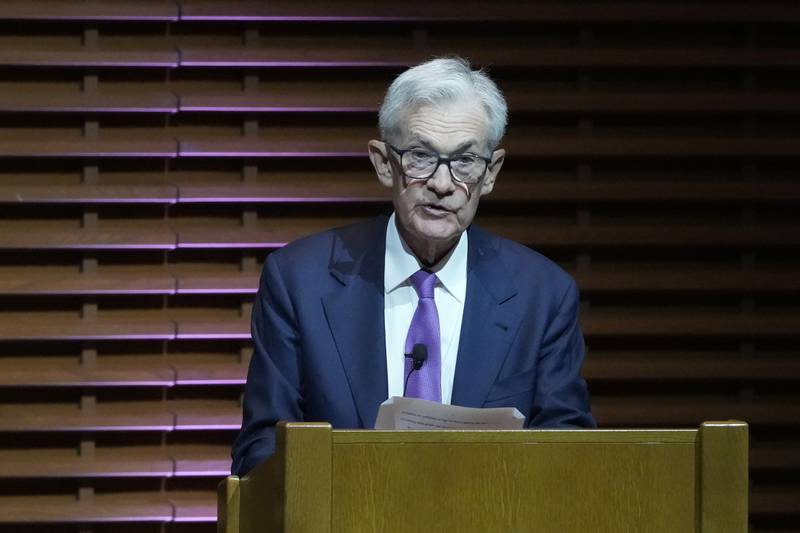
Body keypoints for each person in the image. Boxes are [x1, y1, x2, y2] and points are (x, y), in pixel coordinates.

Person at [231, 56, 595, 476]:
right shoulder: (299, 281)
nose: (443, 184)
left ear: (491, 173)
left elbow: (570, 456)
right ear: (385, 163)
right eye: (421, 157)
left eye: (464, 162)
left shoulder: (542, 295)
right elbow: (261, 451)